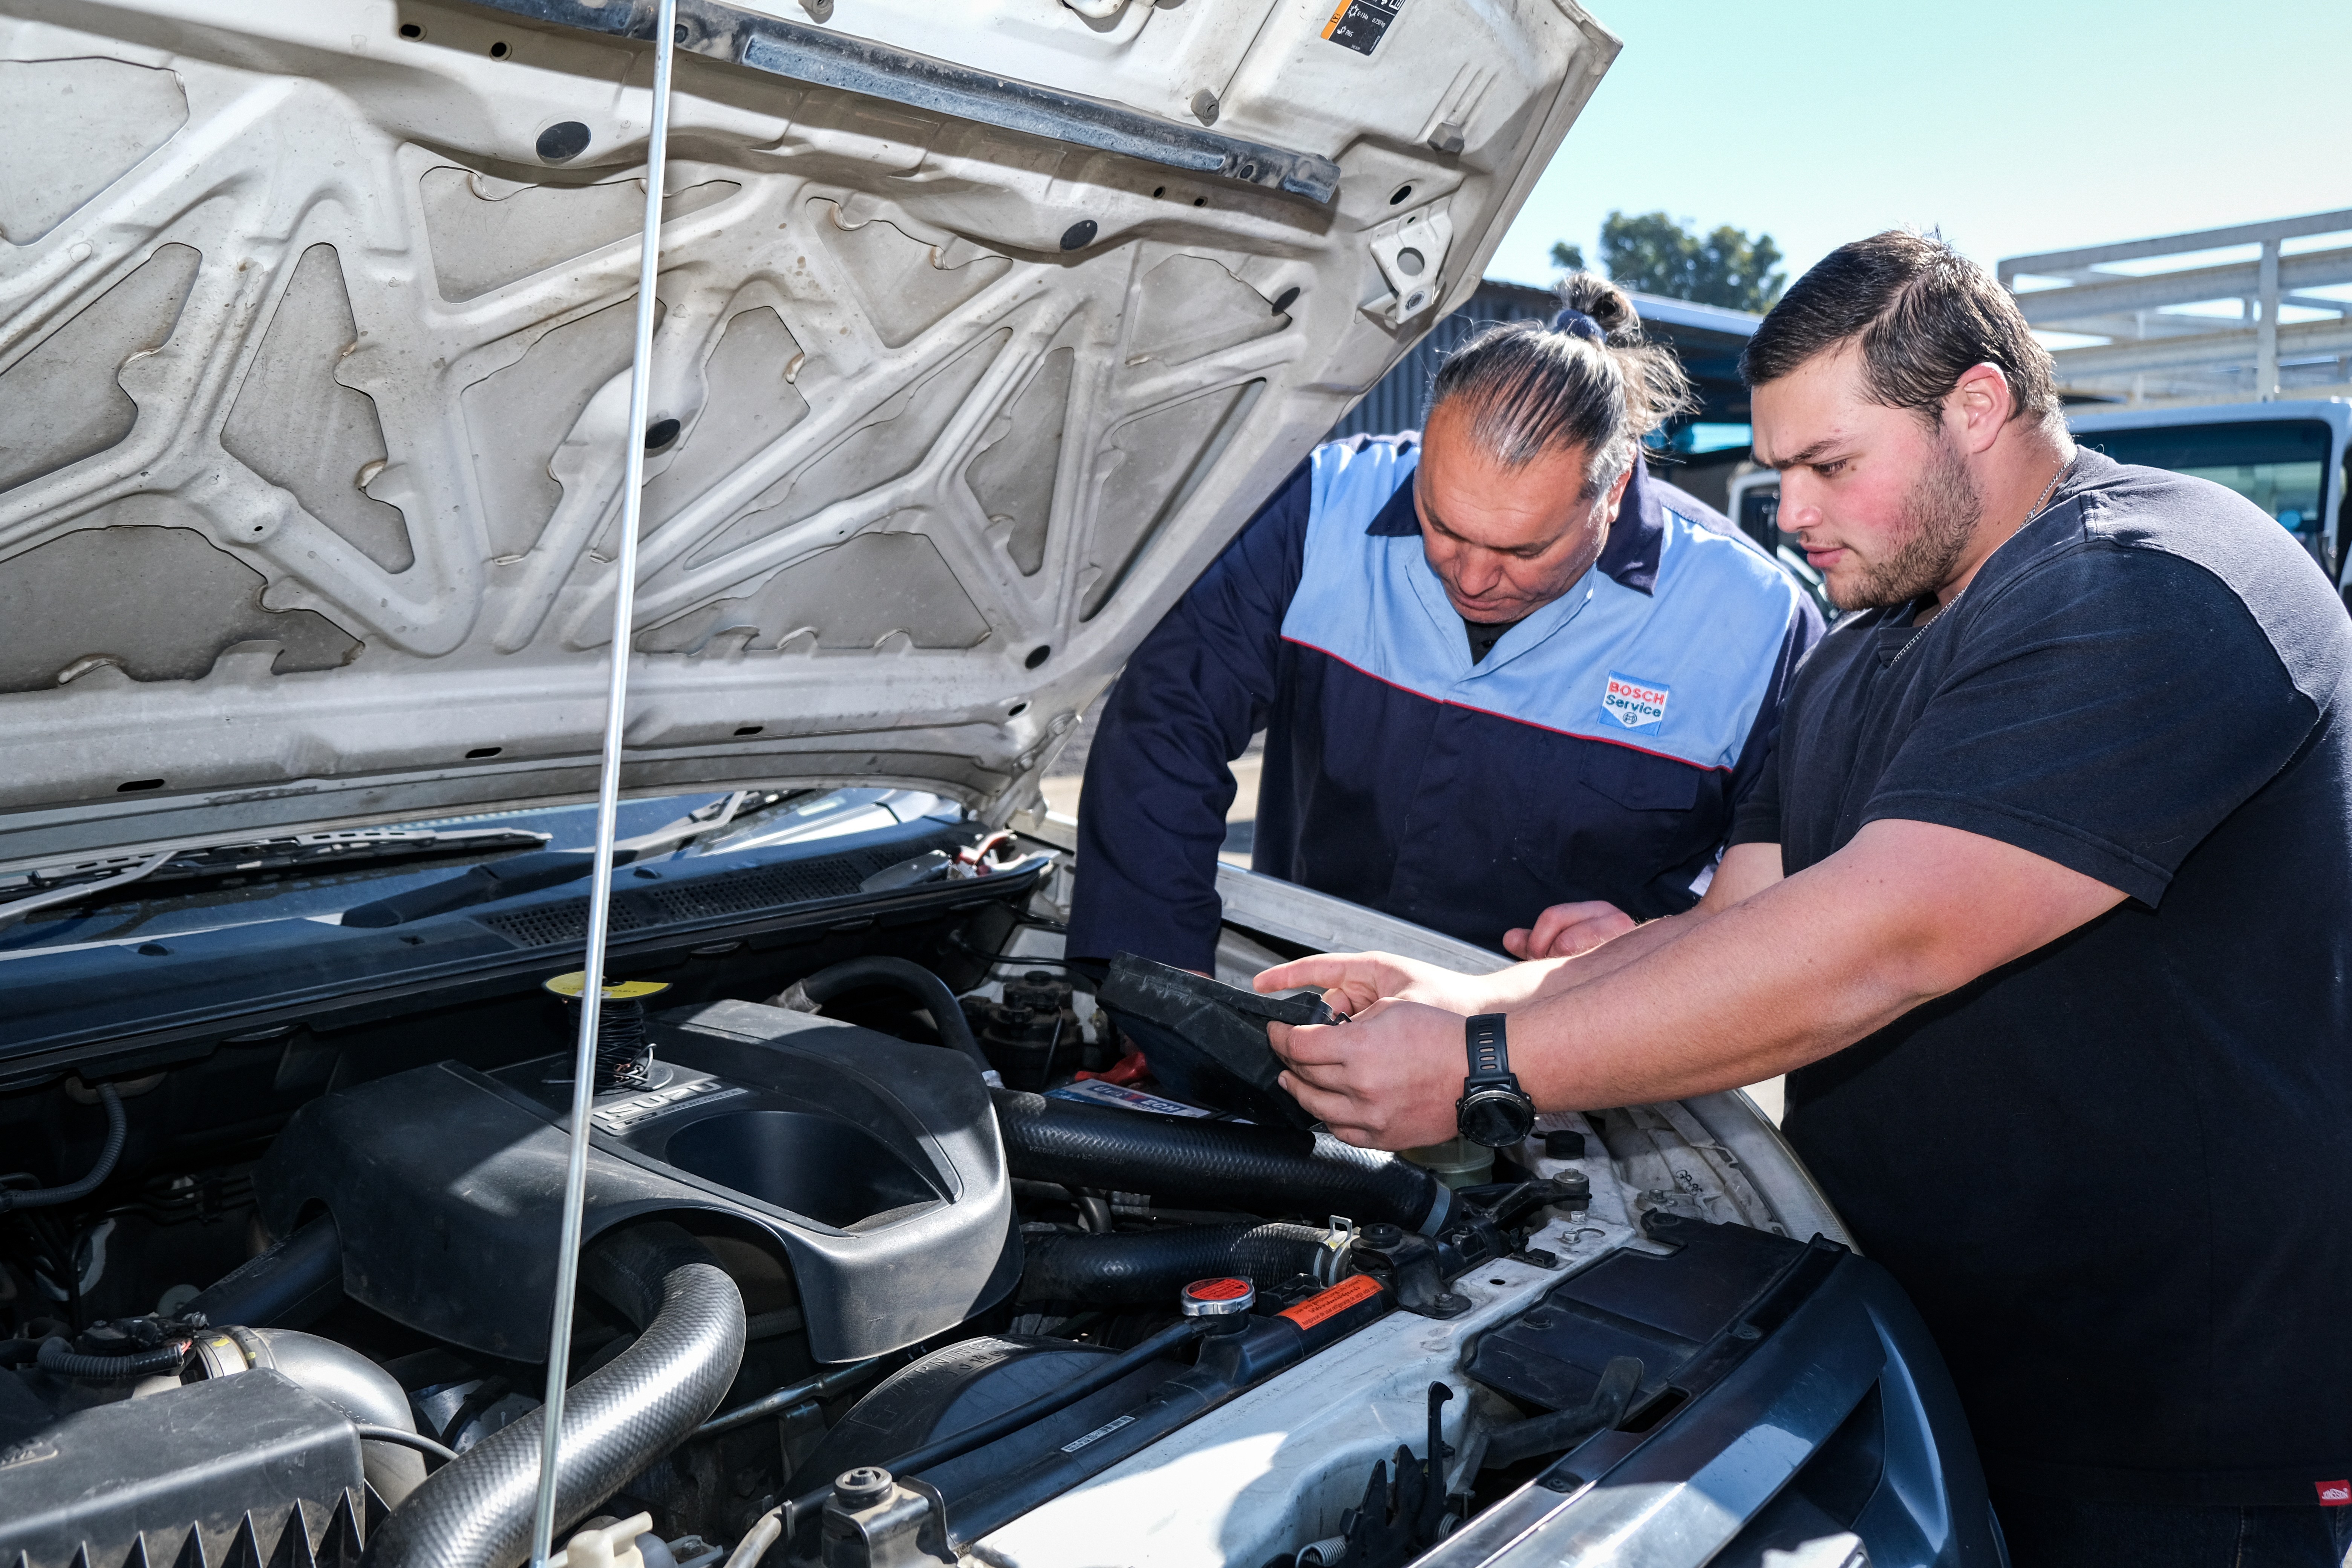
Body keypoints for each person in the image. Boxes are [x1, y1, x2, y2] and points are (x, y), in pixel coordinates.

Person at [1256, 232, 2352, 1567]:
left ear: (1978, 406)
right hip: (1891, 1358)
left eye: (1830, 465)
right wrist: (1466, 995)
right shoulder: (1853, 656)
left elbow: (1878, 946)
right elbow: (1742, 929)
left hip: (2166, 1423)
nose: (1790, 510)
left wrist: (1485, 1065)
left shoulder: (2155, 581)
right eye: (1776, 471)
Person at [1065, 276, 1824, 973]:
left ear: (1615, 486)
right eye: (1442, 523)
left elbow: (1799, 891)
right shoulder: (1320, 507)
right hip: (1306, 1001)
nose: (1470, 575)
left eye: (1524, 549)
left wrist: (1661, 940)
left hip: (1576, 1054)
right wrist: (1155, 983)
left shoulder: (1756, 625)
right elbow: (1167, 723)